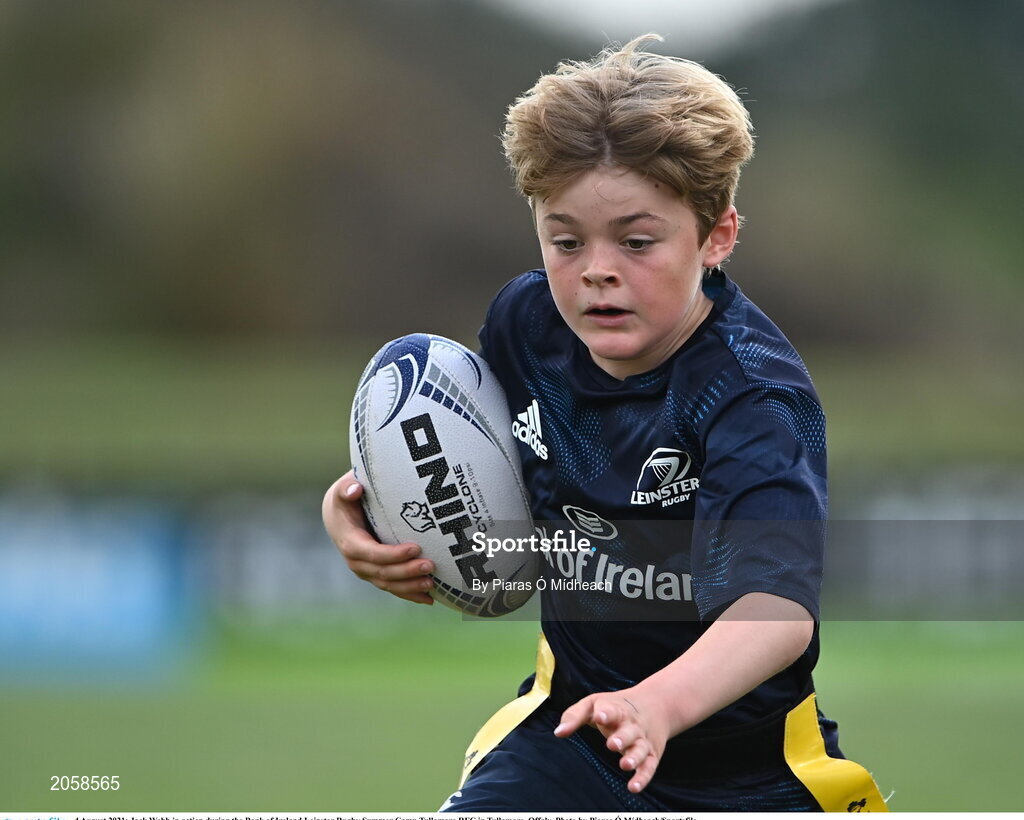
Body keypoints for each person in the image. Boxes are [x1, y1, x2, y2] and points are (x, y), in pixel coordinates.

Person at [323, 34, 887, 812]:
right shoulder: (527, 325)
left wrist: (655, 705)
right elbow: (476, 469)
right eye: (565, 240)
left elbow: (775, 614)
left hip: (750, 772)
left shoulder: (752, 395)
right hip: (570, 741)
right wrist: (363, 515)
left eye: (637, 240)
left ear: (716, 237)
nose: (596, 269)